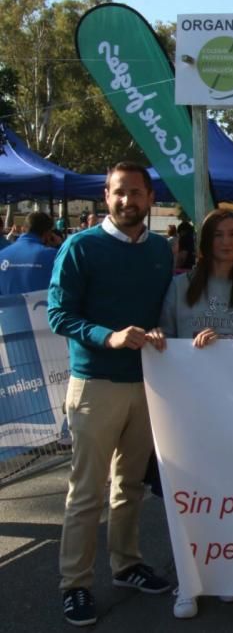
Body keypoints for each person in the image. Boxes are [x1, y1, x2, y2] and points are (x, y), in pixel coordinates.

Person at [47, 162, 174, 626]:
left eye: (136, 193)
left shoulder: (161, 249)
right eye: (120, 193)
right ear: (106, 195)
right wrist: (108, 335)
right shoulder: (80, 247)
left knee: (131, 487)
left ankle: (126, 564)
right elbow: (58, 314)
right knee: (86, 494)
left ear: (149, 198)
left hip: (145, 385)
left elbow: (163, 309)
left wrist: (160, 329)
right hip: (95, 383)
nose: (128, 201)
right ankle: (75, 584)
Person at [159, 209, 233, 619]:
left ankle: (224, 574)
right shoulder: (179, 287)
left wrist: (230, 342)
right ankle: (186, 583)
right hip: (187, 408)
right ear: (205, 242)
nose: (227, 241)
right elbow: (165, 340)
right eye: (219, 235)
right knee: (185, 495)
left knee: (228, 495)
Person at [0, 211, 59, 294]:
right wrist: (60, 246)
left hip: (7, 306)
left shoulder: (2, 254)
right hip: (42, 306)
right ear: (48, 234)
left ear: (24, 228)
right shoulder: (53, 256)